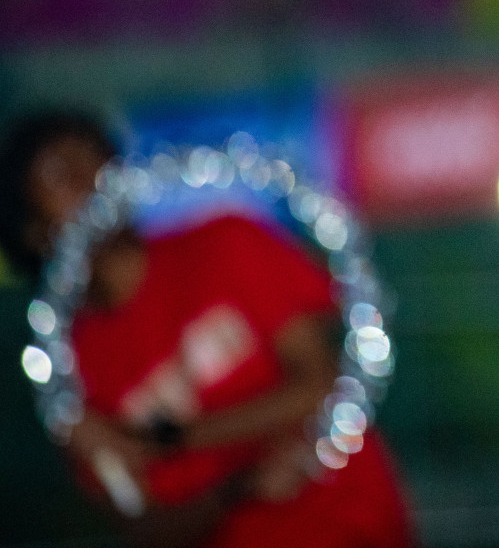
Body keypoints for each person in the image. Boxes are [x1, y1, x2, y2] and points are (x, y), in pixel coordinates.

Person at [0, 111, 417, 548]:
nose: (94, 179)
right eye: (63, 175)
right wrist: (235, 489)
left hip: (351, 521)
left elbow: (322, 384)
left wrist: (169, 440)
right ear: (32, 230)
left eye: (99, 159)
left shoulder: (228, 244)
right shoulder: (66, 375)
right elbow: (143, 525)